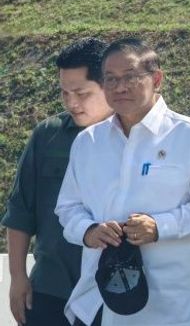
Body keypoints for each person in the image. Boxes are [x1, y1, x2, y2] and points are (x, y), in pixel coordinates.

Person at [55, 38, 190, 325]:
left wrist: (160, 226)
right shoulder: (88, 142)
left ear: (156, 79)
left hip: (169, 306)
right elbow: (67, 208)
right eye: (110, 79)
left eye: (130, 77)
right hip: (99, 300)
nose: (120, 87)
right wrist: (89, 231)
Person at [3, 38, 113, 326]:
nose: (71, 103)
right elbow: (21, 211)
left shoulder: (135, 138)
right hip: (52, 288)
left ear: (108, 84)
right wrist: (17, 277)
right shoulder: (48, 135)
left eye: (81, 93)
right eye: (64, 93)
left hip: (111, 292)